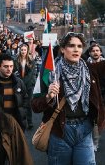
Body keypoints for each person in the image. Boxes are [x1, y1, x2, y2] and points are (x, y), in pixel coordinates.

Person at [31, 32, 105, 165]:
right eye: (71, 46)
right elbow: (35, 106)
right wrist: (48, 97)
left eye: (79, 46)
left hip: (85, 129)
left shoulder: (90, 70)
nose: (76, 49)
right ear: (63, 49)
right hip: (60, 130)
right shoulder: (49, 72)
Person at [0, 53, 28, 130]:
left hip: (15, 123)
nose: (9, 69)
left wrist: (22, 113)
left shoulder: (19, 82)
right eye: (6, 66)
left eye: (11, 66)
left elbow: (25, 99)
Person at [14, 43, 36, 129]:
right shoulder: (16, 60)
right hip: (18, 85)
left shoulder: (31, 61)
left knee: (28, 104)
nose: (23, 51)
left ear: (27, 51)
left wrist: (24, 84)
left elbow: (31, 74)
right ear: (20, 50)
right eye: (22, 50)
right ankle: (20, 121)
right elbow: (15, 72)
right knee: (19, 103)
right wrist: (19, 83)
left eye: (24, 50)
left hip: (28, 85)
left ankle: (29, 122)